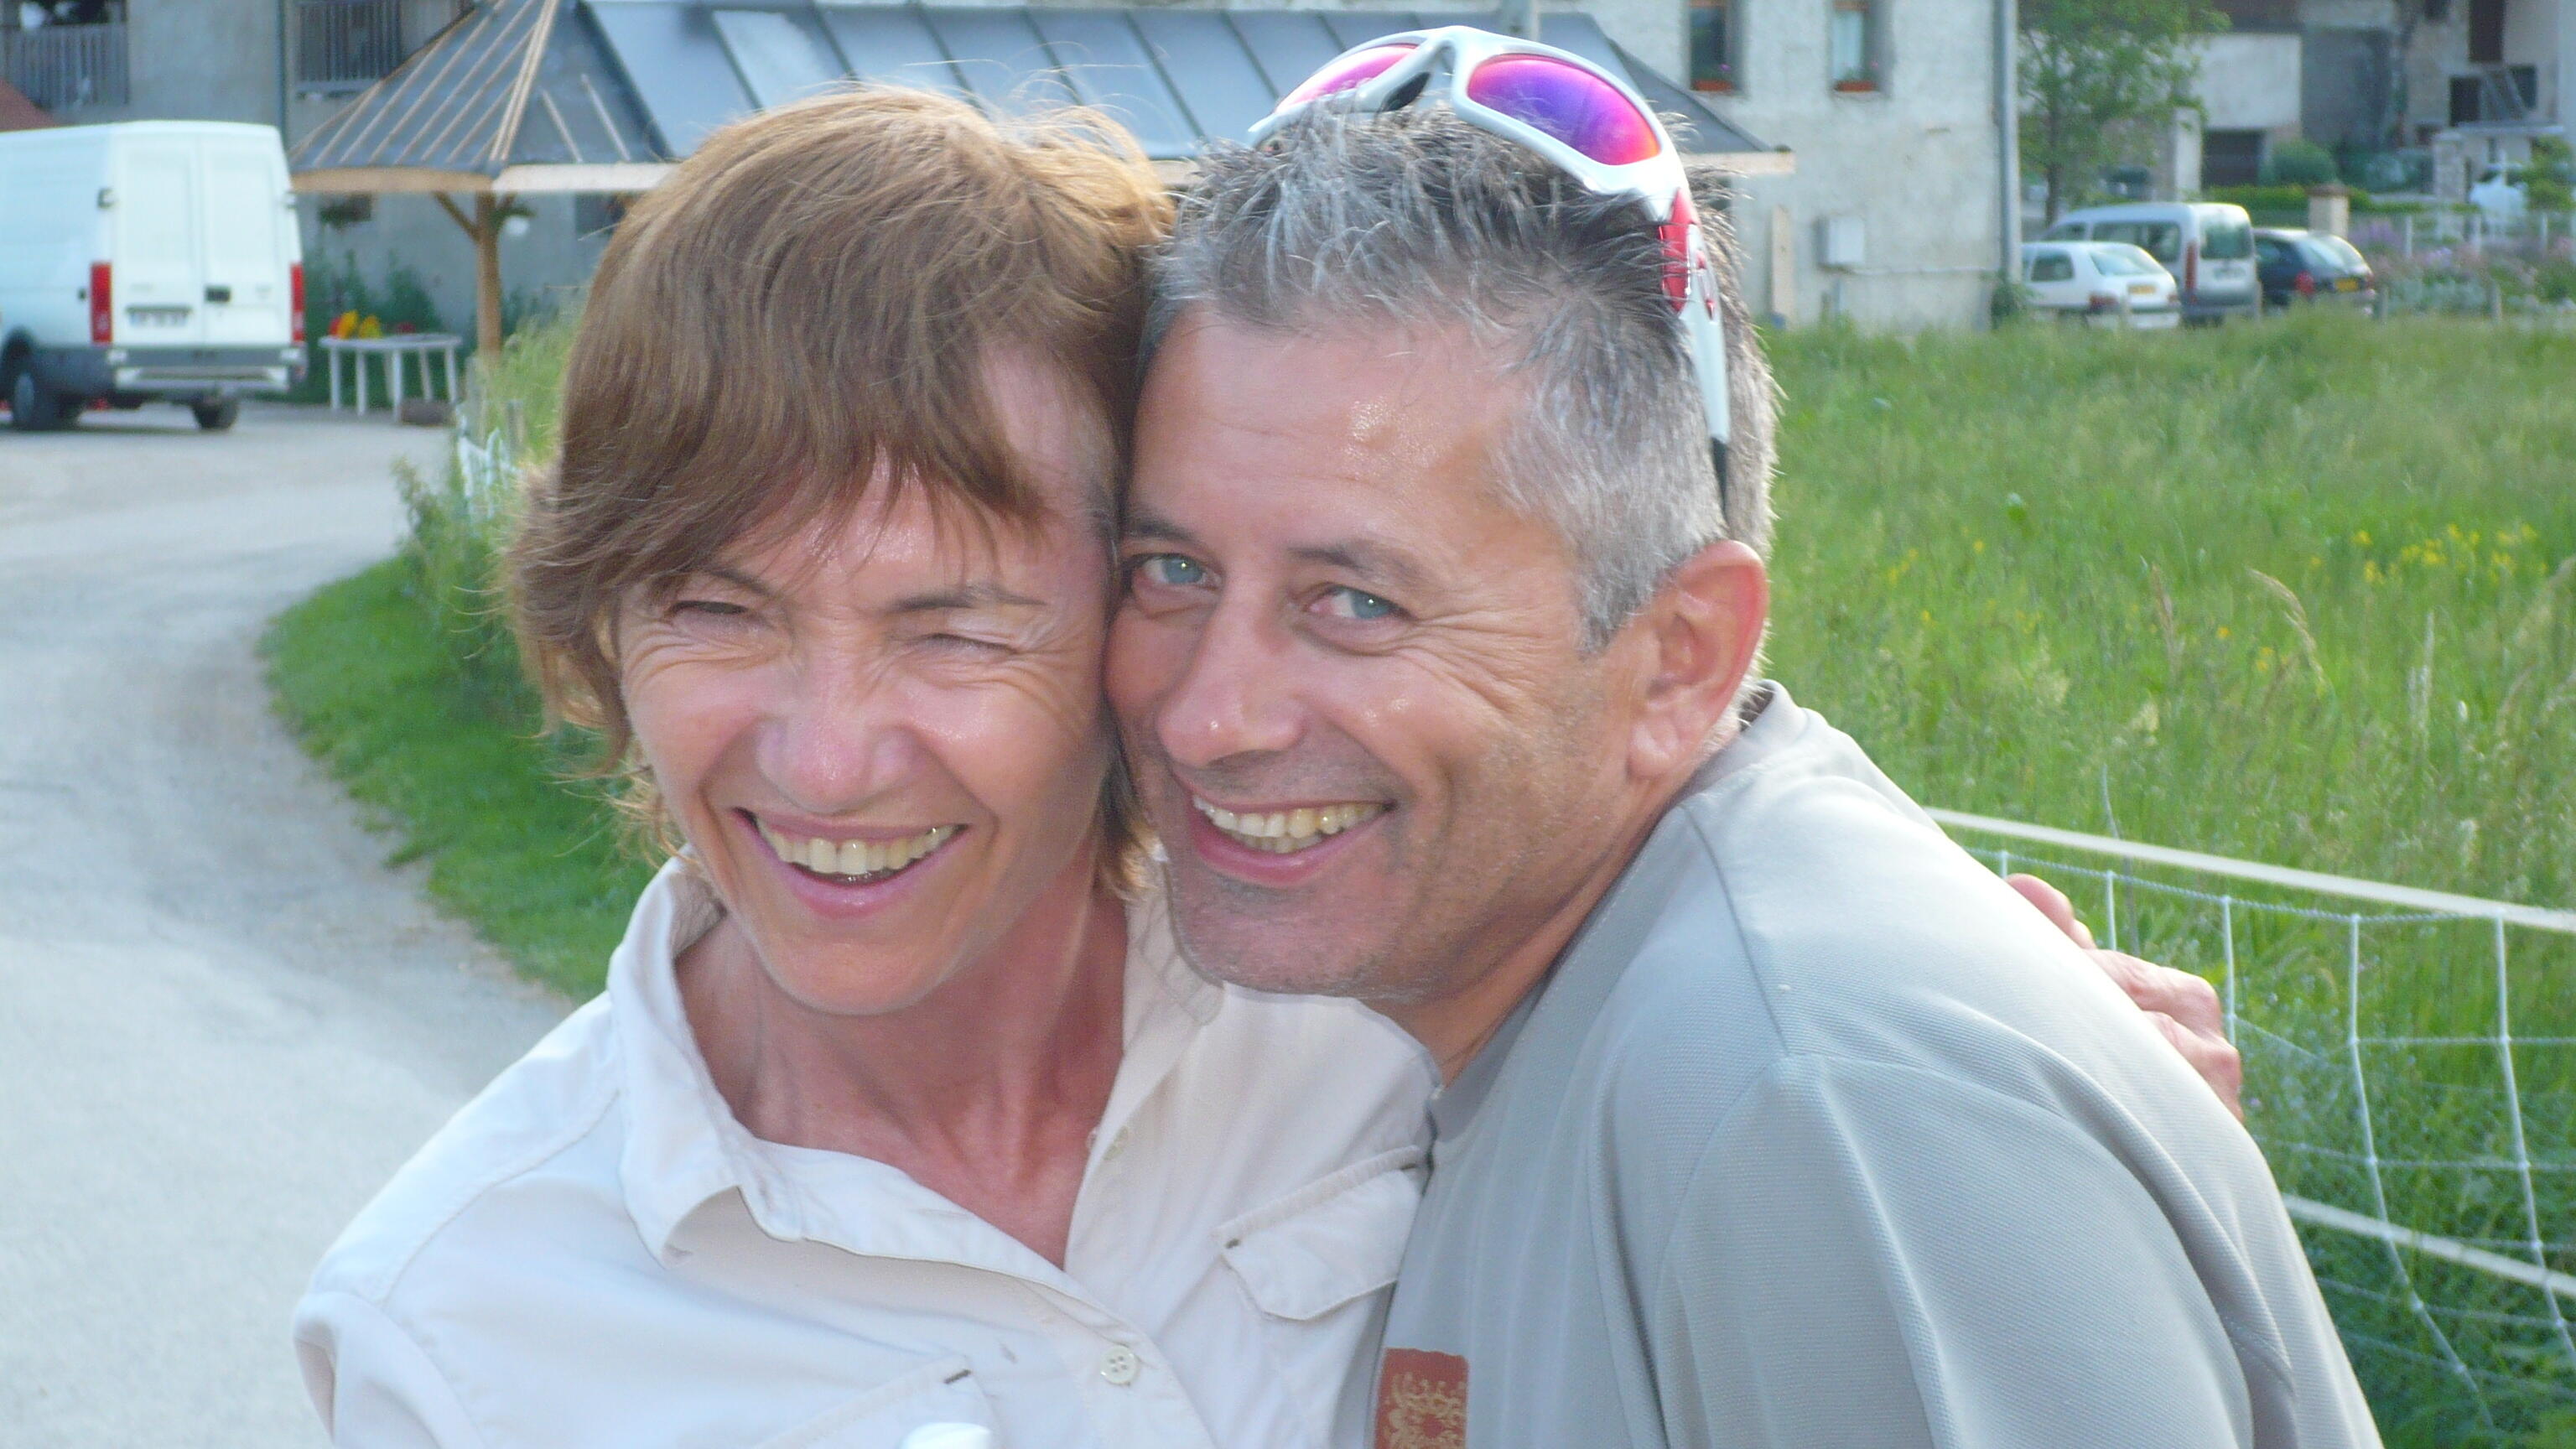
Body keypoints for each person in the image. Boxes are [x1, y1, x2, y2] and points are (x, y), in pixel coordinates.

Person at [295, 83, 2239, 1449]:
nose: (824, 754)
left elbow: (1642, 797)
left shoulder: (1378, 980)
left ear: (1108, 621)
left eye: (955, 626)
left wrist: (1977, 1059)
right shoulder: (457, 1327)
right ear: (597, 626)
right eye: (715, 613)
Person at [1106, 31, 2376, 1449]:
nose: (1208, 715)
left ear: (1680, 659)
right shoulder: (1574, 1021)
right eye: (1172, 572)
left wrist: (1885, 1100)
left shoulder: (1808, 1107)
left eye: (1356, 603)